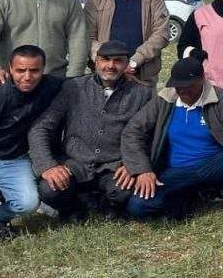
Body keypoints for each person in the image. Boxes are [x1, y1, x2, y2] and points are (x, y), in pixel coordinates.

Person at [121, 51, 223, 225]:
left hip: (212, 166)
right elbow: (133, 131)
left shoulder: (220, 98)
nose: (183, 91)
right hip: (176, 172)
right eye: (178, 86)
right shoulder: (164, 100)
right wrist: (142, 169)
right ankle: (186, 200)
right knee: (137, 206)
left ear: (202, 79)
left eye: (189, 86)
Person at [29, 40, 152, 221]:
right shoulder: (74, 87)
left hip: (114, 166)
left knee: (126, 191)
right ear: (96, 61)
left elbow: (151, 135)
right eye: (105, 59)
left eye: (118, 60)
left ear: (127, 64)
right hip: (74, 163)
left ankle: (103, 203)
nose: (111, 65)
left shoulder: (143, 93)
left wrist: (134, 165)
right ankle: (74, 207)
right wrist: (47, 165)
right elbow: (41, 127)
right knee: (50, 190)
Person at [0, 45, 61, 237]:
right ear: (10, 68)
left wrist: (123, 76)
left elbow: (83, 83)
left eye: (34, 70)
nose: (27, 77)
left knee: (28, 203)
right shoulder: (0, 92)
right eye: (20, 70)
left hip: (14, 160)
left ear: (43, 70)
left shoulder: (50, 85)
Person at [85, 0, 170, 86]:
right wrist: (108, 62)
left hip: (142, 76)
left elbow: (162, 34)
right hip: (105, 75)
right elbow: (88, 36)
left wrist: (135, 61)